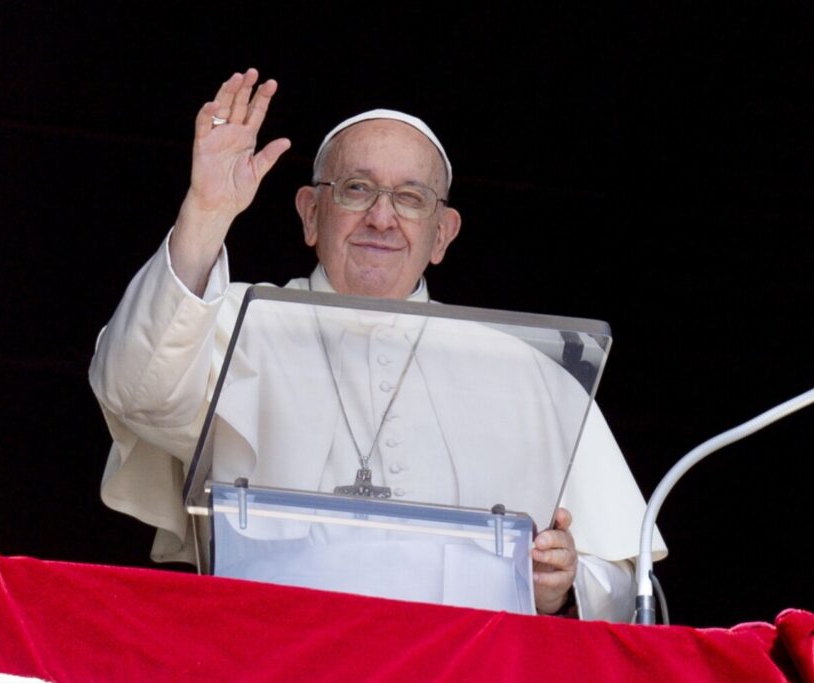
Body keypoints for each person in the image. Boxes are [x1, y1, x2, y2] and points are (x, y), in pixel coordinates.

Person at [90, 69, 665, 621]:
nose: (382, 218)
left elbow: (623, 580)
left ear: (442, 234)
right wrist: (207, 214)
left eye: (412, 198)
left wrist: (560, 587)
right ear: (311, 214)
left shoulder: (522, 370)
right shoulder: (236, 323)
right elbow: (135, 389)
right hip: (273, 655)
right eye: (356, 189)